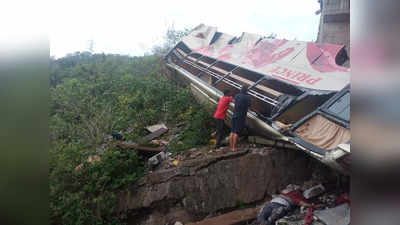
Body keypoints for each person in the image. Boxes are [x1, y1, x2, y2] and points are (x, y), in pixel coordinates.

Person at [257, 184, 322, 225]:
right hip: (277, 204)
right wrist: (314, 206)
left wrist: (313, 206)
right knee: (266, 219)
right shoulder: (295, 197)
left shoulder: (292, 196)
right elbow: (304, 204)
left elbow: (304, 204)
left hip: (275, 204)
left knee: (266, 218)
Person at [229, 85, 251, 151]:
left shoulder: (237, 95)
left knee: (232, 131)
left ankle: (231, 147)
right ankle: (234, 148)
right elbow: (249, 105)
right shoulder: (247, 97)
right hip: (241, 116)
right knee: (236, 132)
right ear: (247, 90)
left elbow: (235, 101)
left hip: (234, 115)